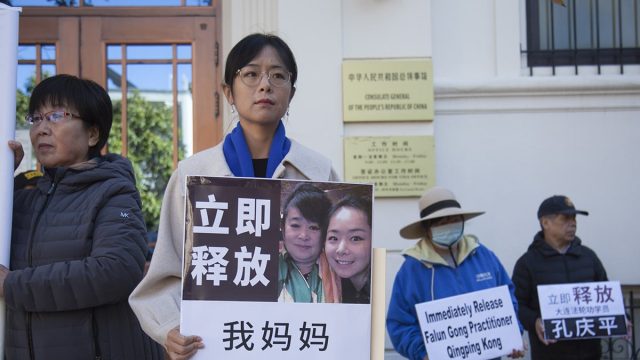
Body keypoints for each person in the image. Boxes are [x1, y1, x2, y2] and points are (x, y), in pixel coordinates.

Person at [129, 33, 339, 360]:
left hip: (296, 347)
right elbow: (164, 275)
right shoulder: (193, 175)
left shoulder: (318, 172)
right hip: (218, 347)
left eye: (278, 75)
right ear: (228, 91)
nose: (265, 85)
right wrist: (170, 328)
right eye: (251, 74)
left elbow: (338, 270)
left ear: (291, 93)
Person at [2, 74, 162, 359]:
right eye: (36, 118)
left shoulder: (114, 191)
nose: (41, 129)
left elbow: (116, 271)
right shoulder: (22, 193)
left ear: (92, 134)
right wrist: (2, 178)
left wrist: (12, 285)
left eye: (55, 116)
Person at [386, 186, 524, 360]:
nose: (448, 226)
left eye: (454, 220)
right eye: (440, 222)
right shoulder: (411, 270)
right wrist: (423, 353)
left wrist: (512, 334)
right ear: (427, 229)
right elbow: (399, 323)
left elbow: (508, 300)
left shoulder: (484, 256)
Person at [512, 195, 609, 360]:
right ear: (545, 223)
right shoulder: (527, 263)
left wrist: (623, 318)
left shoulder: (589, 257)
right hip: (549, 354)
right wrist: (534, 321)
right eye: (565, 218)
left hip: (591, 354)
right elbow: (516, 305)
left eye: (574, 218)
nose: (573, 223)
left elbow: (607, 295)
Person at [278, 183, 339, 303]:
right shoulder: (265, 269)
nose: (304, 235)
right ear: (283, 228)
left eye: (313, 227)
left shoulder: (342, 270)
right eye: (295, 225)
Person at [325, 194, 372, 304]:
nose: (341, 249)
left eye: (355, 238)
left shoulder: (386, 289)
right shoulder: (329, 287)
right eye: (333, 238)